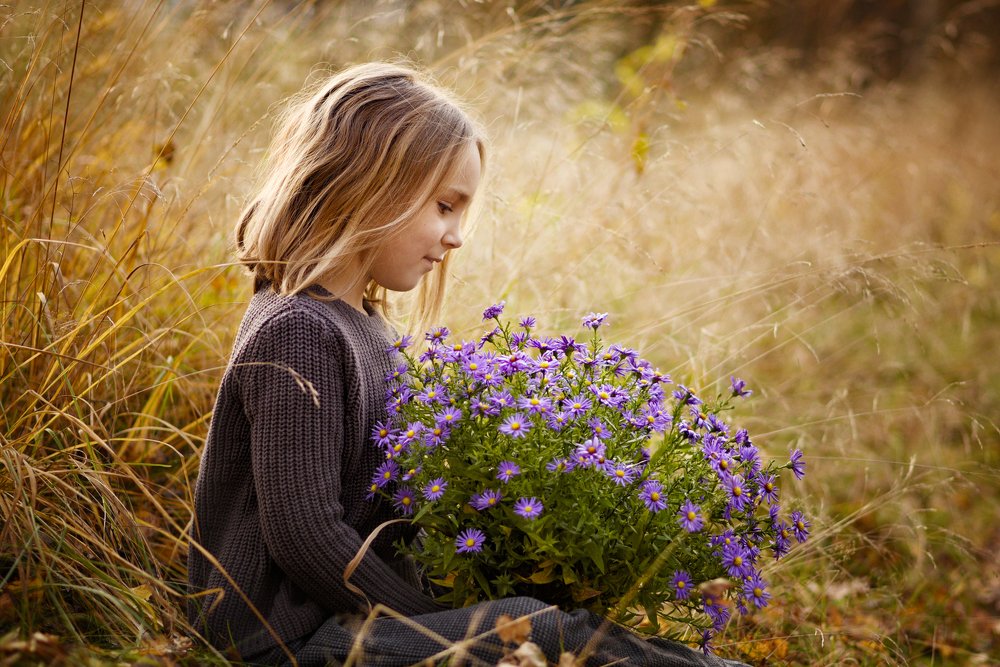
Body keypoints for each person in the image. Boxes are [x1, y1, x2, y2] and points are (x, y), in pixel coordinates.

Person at [188, 62, 744, 667]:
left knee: (552, 622)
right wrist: (439, 622)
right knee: (538, 630)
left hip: (351, 621)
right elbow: (306, 535)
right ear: (366, 184)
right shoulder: (298, 331)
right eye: (444, 205)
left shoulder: (366, 324)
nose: (455, 236)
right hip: (282, 642)